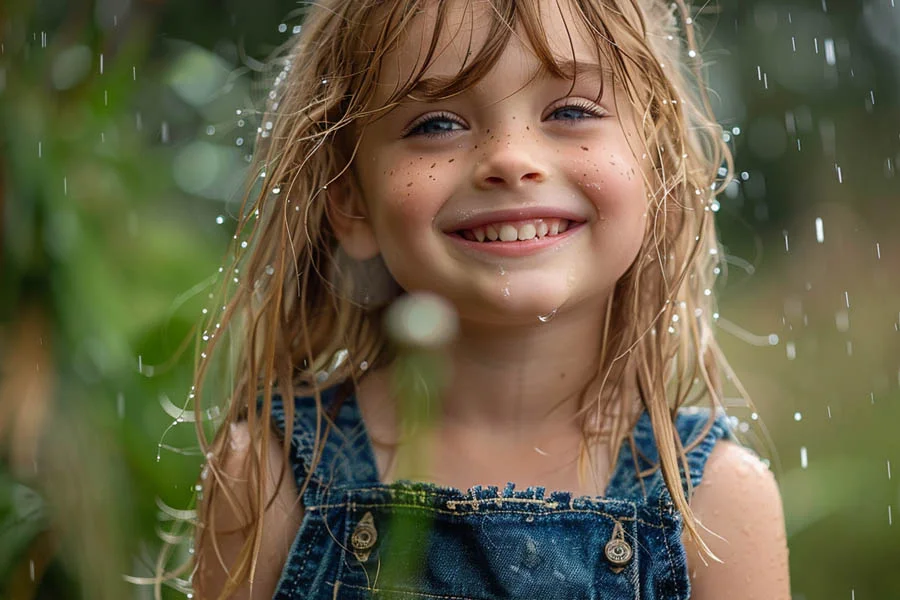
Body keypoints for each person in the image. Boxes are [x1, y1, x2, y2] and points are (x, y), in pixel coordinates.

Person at [191, 0, 790, 598]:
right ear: (350, 198)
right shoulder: (267, 481)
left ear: (654, 167)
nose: (510, 159)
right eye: (436, 124)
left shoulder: (716, 504)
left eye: (572, 111)